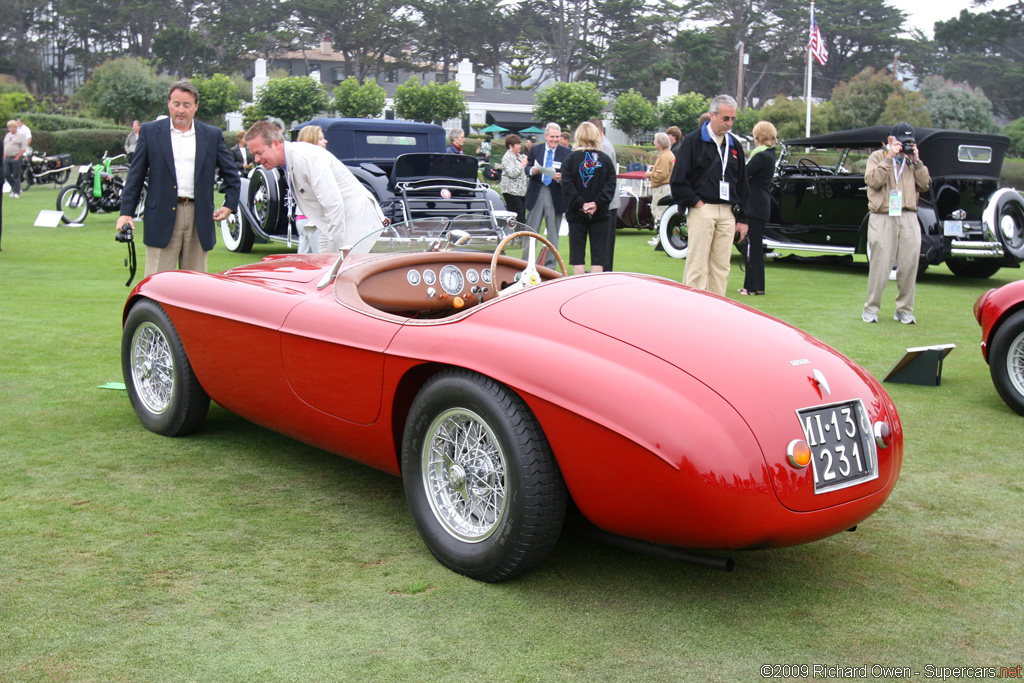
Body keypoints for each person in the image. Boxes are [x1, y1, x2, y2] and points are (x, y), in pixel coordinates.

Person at [116, 80, 240, 277]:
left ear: (195, 107)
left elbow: (232, 175)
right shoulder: (150, 132)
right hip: (161, 217)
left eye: (187, 105)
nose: (181, 110)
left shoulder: (212, 135)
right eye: (176, 104)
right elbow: (135, 176)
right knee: (157, 284)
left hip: (199, 218)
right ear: (168, 104)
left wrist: (230, 205)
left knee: (196, 287)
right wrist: (126, 212)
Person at [244, 121, 385, 254]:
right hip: (336, 223)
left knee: (343, 274)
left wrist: (335, 250)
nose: (256, 160)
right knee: (324, 266)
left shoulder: (306, 158)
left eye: (259, 153)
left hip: (356, 222)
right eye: (254, 155)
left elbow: (334, 205)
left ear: (275, 144)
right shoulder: (292, 159)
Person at [669, 94, 749, 297]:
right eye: (725, 118)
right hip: (702, 208)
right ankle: (693, 310)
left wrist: (743, 218)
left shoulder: (735, 145)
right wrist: (697, 203)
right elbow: (678, 179)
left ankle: (717, 314)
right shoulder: (694, 140)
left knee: (722, 267)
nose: (729, 124)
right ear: (712, 116)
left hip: (728, 211)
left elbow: (742, 183)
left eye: (732, 119)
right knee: (697, 264)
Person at [862, 122, 931, 324]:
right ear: (891, 140)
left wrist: (916, 160)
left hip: (908, 215)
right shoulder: (877, 157)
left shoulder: (911, 162)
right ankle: (871, 308)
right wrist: (890, 157)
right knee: (880, 264)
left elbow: (925, 184)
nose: (905, 146)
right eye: (902, 142)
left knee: (910, 264)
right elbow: (873, 181)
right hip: (883, 215)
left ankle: (904, 310)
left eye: (910, 142)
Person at [560, 121, 617, 275]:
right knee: (599, 256)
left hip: (576, 212)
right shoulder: (605, 160)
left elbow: (567, 185)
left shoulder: (570, 159)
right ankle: (595, 291)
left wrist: (581, 204)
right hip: (599, 214)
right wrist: (597, 203)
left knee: (577, 255)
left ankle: (579, 289)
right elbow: (610, 184)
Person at [739, 121, 777, 296]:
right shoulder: (769, 154)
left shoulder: (761, 156)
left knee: (753, 247)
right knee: (753, 246)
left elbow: (743, 173)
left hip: (756, 205)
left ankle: (754, 287)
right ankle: (751, 285)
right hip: (761, 204)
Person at [524, 122, 569, 268]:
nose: (555, 140)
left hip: (555, 193)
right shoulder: (535, 149)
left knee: (553, 234)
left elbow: (571, 174)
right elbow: (527, 168)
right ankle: (525, 264)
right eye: (552, 137)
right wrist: (533, 171)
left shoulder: (567, 152)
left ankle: (550, 267)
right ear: (545, 136)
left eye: (558, 137)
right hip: (537, 191)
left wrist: (563, 177)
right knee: (531, 232)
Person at [588, 118, 620, 270]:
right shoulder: (601, 146)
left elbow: (602, 177)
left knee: (605, 246)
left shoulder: (605, 147)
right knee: (601, 244)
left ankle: (604, 277)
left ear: (598, 130)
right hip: (604, 202)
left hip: (606, 203)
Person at [293, 125, 329, 254]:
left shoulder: (298, 163)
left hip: (302, 218)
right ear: (311, 141)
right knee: (321, 262)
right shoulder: (315, 163)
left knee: (303, 262)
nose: (325, 141)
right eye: (320, 139)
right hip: (313, 220)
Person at [646, 131, 675, 245]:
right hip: (665, 187)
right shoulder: (667, 154)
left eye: (655, 140)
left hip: (662, 188)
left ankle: (661, 238)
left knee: (659, 212)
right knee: (660, 212)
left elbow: (661, 175)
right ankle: (660, 237)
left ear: (660, 143)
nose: (653, 142)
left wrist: (649, 174)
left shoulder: (664, 156)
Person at [499, 133, 528, 223]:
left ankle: (522, 235)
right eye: (517, 144)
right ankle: (518, 235)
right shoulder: (507, 158)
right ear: (510, 146)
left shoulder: (520, 156)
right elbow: (512, 173)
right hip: (511, 192)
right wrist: (522, 164)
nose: (520, 146)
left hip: (521, 192)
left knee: (522, 215)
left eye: (520, 144)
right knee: (518, 217)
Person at [4, 120, 27, 198]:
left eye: (11, 127)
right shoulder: (7, 135)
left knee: (16, 175)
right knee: (6, 173)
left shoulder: (21, 135)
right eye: (9, 127)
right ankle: (15, 188)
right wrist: (4, 156)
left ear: (15, 127)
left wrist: (17, 158)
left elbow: (23, 148)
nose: (10, 129)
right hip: (7, 158)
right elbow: (5, 146)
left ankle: (16, 192)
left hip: (15, 157)